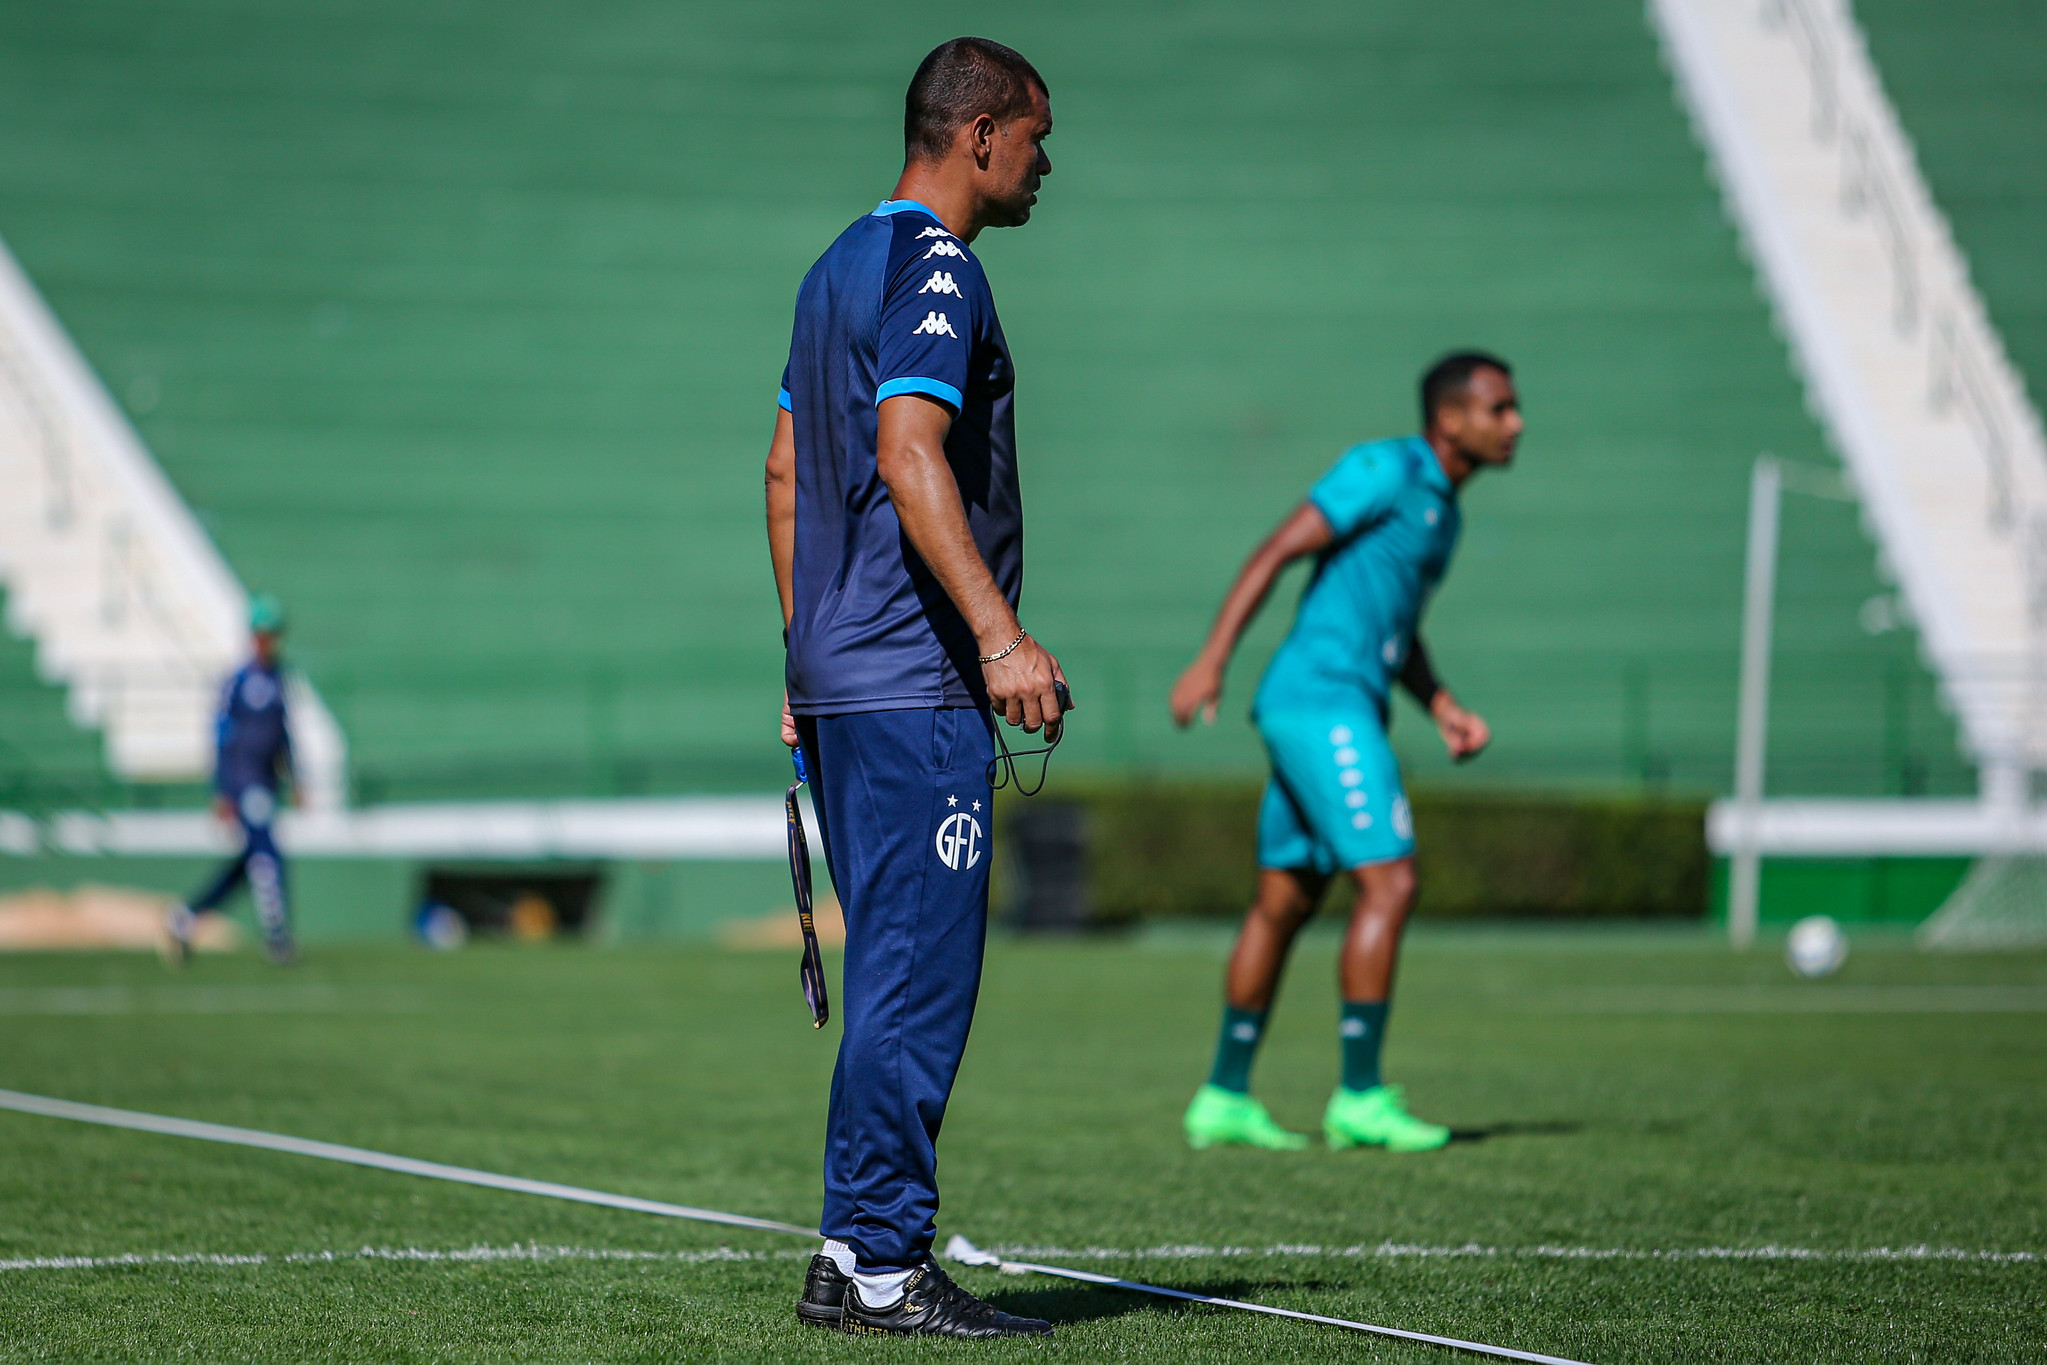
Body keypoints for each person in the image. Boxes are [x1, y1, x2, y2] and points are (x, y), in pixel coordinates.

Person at [765, 37, 1065, 1339]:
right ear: (980, 134)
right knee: (916, 979)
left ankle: (847, 1254)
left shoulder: (835, 262)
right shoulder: (936, 267)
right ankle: (889, 1263)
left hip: (840, 679)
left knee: (888, 971)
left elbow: (783, 472)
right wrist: (998, 636)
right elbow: (906, 449)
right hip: (912, 683)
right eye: (1036, 138)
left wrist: (800, 650)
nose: (1047, 163)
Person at [1169, 353, 1522, 1153]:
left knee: (1284, 899)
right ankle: (1359, 1096)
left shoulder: (1445, 512)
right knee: (1390, 880)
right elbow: (1275, 550)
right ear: (1449, 417)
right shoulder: (1385, 468)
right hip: (1320, 700)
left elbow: (1393, 626)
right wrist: (1212, 657)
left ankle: (1222, 1096)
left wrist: (1440, 705)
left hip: (1332, 703)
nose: (1514, 423)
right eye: (1498, 408)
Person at [166, 593, 299, 966]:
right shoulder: (238, 682)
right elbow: (223, 738)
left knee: (248, 864)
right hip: (245, 783)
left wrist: (295, 778)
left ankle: (186, 918)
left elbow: (284, 736)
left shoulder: (279, 679)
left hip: (267, 784)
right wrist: (223, 790)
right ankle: (277, 937)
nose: (269, 640)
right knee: (268, 855)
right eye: (263, 633)